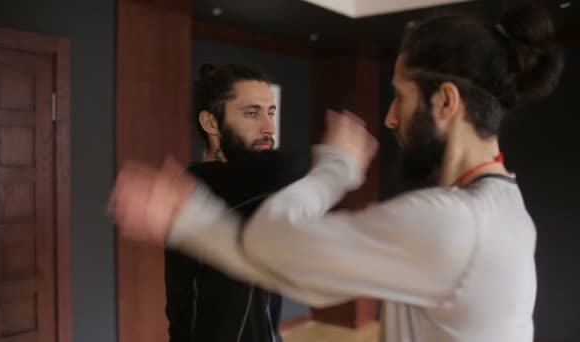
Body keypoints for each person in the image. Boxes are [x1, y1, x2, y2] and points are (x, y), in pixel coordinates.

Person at [110, 4, 565, 342]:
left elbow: (275, 243)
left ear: (445, 102)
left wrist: (338, 167)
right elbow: (301, 274)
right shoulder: (500, 205)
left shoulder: (455, 223)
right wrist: (192, 219)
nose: (389, 117)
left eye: (400, 97)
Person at [163, 63, 307, 342]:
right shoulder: (199, 184)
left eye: (271, 112)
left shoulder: (251, 186)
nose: (269, 128)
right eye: (252, 113)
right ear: (211, 123)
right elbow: (290, 167)